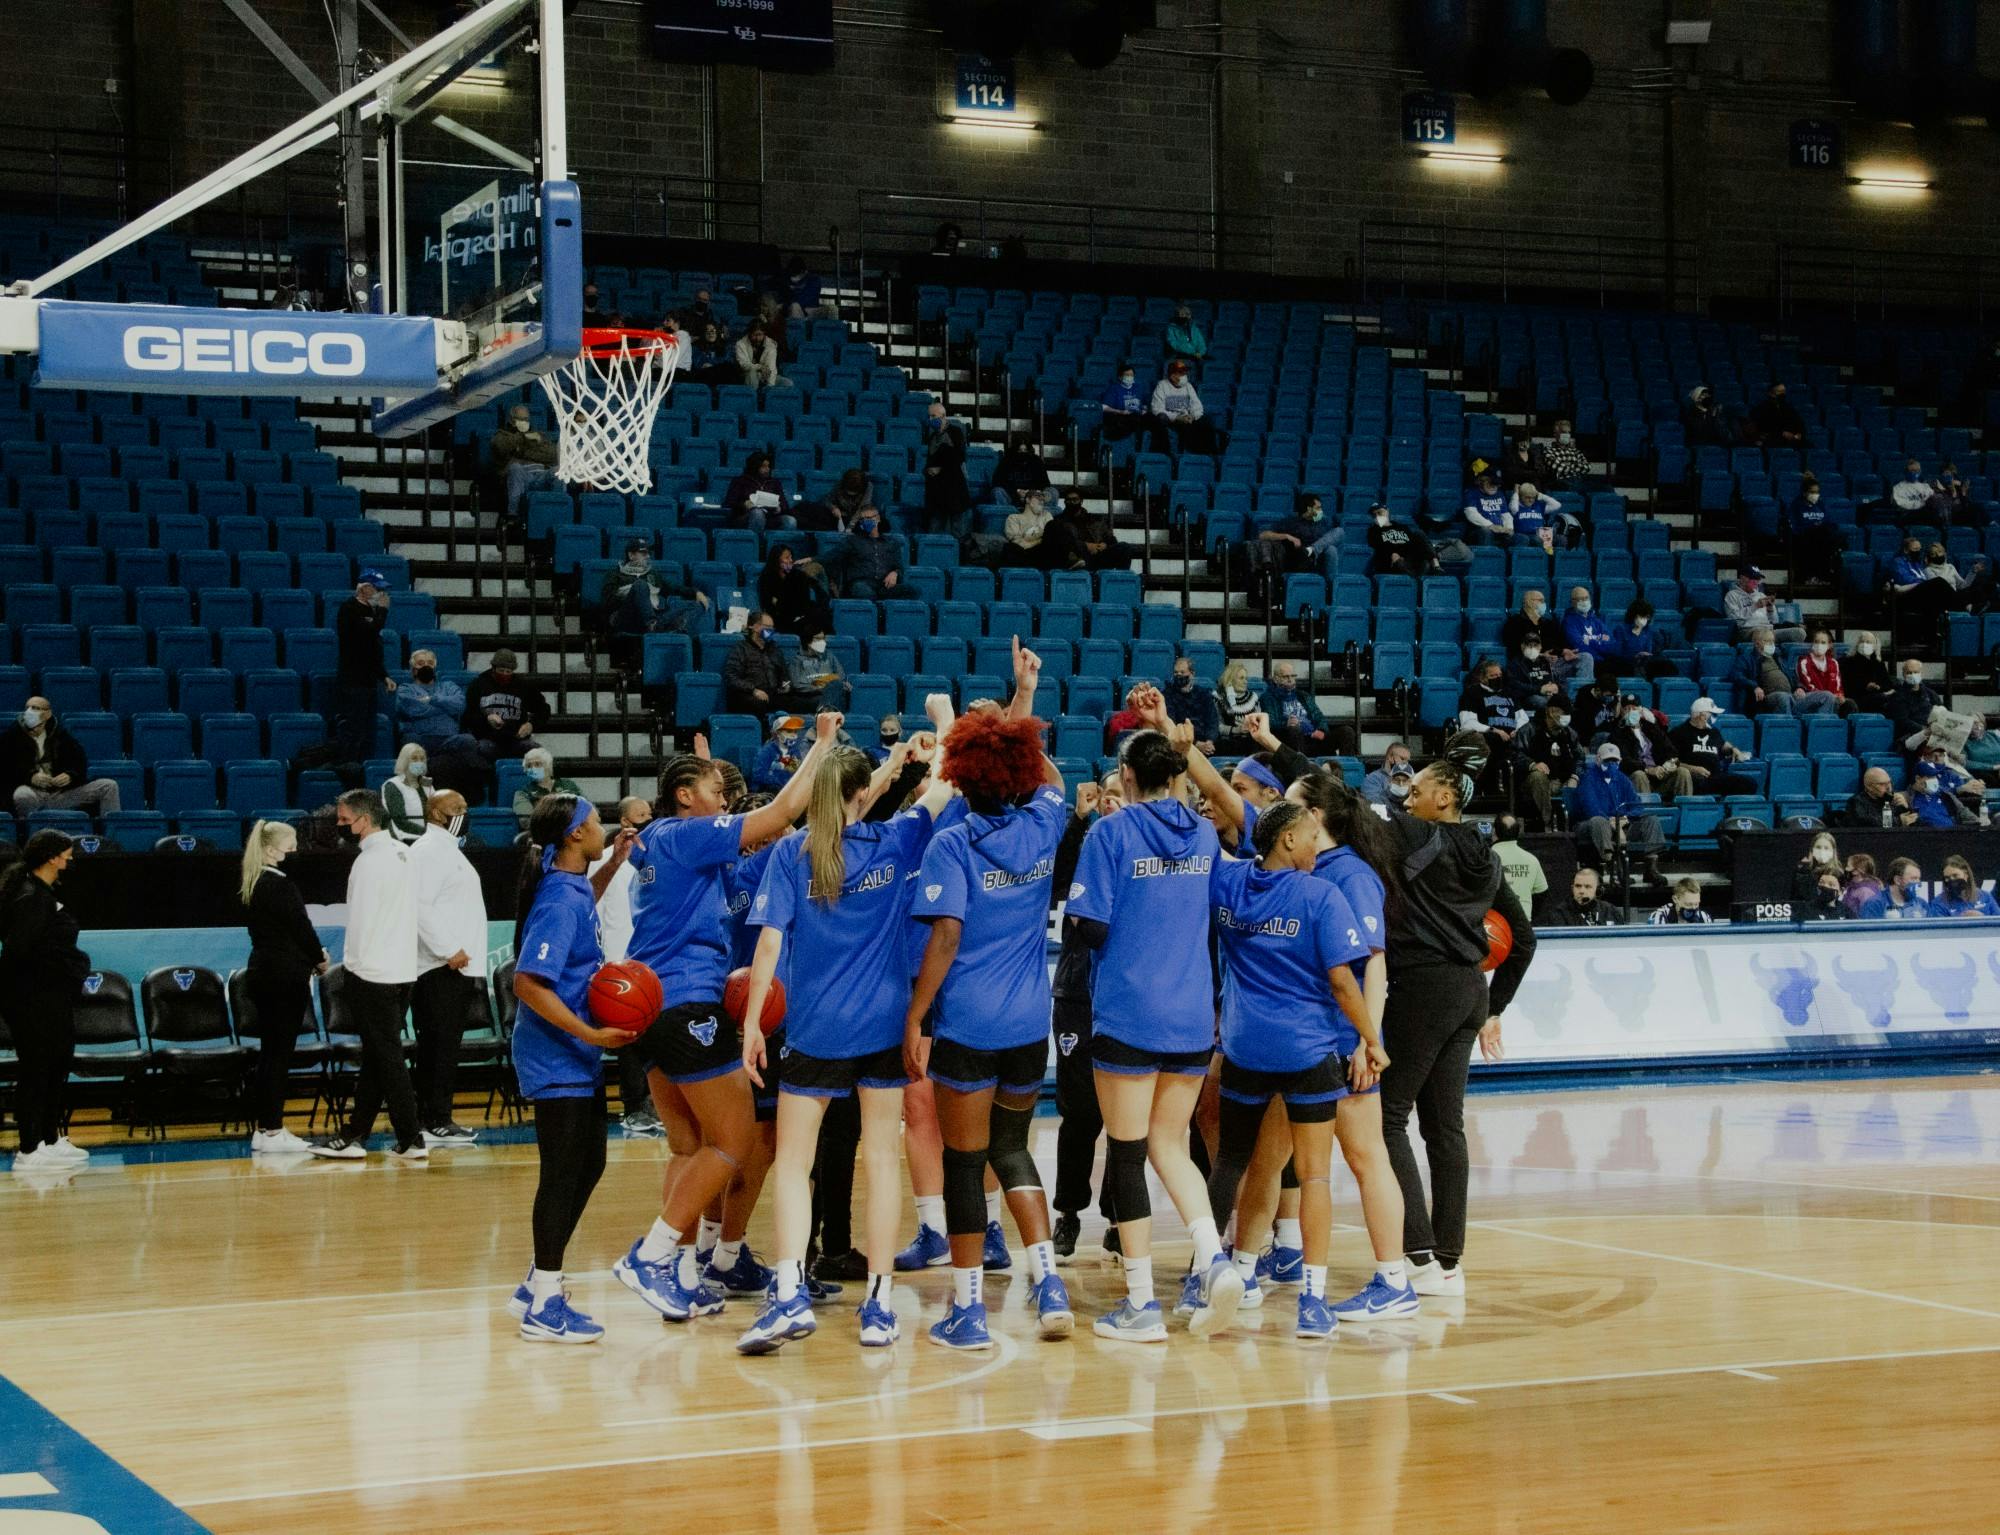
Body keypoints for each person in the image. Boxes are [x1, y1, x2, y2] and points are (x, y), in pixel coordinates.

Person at [613, 714, 845, 1323]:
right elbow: (778, 817)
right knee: (737, 1142)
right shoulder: (686, 836)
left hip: (652, 1008)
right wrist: (820, 747)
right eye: (715, 788)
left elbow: (752, 847)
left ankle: (682, 1275)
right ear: (685, 796)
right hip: (689, 1002)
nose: (725, 797)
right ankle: (653, 1254)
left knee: (688, 1147)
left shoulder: (666, 847)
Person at [733, 728, 956, 1354]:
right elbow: (943, 786)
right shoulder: (897, 838)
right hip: (883, 1026)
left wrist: (753, 1023)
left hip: (814, 1028)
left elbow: (769, 946)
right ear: (865, 794)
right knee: (883, 1160)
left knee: (794, 1164)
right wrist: (938, 729)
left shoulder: (791, 854)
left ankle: (788, 1294)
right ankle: (879, 1305)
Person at [900, 705, 1078, 1348]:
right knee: (1012, 1149)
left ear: (961, 776)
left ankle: (969, 1310)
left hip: (970, 1025)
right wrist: (1018, 721)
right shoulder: (1041, 824)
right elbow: (1055, 782)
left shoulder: (951, 842)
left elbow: (945, 936)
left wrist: (917, 1014)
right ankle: (1050, 1283)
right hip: (1030, 1025)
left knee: (964, 1160)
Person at [1065, 721, 1238, 1341]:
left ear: (1128, 778)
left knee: (1129, 1152)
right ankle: (1213, 1260)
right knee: (1172, 1145)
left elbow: (1088, 925)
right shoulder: (1202, 833)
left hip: (1130, 1013)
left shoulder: (1110, 832)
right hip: (1192, 1016)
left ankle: (1141, 1303)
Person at [1197, 799, 1395, 1338]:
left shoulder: (1230, 887)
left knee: (1231, 1163)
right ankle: (1312, 1301)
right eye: (1311, 836)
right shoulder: (1321, 895)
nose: (1316, 845)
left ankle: (1206, 1276)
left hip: (1242, 1050)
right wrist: (1371, 1041)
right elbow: (1342, 982)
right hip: (1306, 1053)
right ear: (1287, 840)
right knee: (1312, 1175)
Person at [1375, 737, 1536, 1298]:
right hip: (1469, 991)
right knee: (1445, 1128)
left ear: (1444, 797)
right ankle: (1448, 1262)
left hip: (1424, 986)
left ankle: (1417, 1253)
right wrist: (1493, 1007)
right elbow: (1525, 942)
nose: (1405, 795)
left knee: (1386, 1117)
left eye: (1415, 789)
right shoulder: (1488, 858)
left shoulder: (1421, 835)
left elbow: (1350, 813)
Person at [505, 795, 635, 1343]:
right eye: (598, 823)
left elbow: (586, 903)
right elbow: (527, 983)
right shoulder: (558, 899)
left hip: (574, 1050)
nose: (604, 826)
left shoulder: (575, 883)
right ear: (576, 834)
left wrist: (613, 864)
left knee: (590, 1162)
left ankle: (537, 1280)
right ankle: (544, 1303)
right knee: (561, 1173)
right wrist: (591, 1034)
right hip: (556, 1050)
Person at [310, 791, 424, 1161]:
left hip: (373, 972)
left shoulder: (367, 863)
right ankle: (356, 1134)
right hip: (403, 970)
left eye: (344, 819)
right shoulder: (404, 854)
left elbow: (359, 922)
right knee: (379, 1057)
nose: (340, 826)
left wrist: (350, 968)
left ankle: (411, 1137)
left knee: (387, 1058)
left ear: (364, 819)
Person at [1048, 774, 1121, 1261]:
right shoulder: (1087, 845)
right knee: (1080, 1115)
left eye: (1120, 793)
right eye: (1105, 795)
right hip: (1078, 995)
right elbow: (1056, 881)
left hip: (1125, 999)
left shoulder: (1142, 853)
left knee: (1124, 1118)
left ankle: (1120, 1217)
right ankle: (1068, 1214)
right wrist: (1076, 820)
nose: (1111, 801)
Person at [1, 831, 90, 1170]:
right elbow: (18, 952)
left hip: (51, 996)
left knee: (55, 1066)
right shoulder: (30, 897)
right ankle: (28, 1148)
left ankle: (49, 1138)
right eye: (66, 854)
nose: (70, 860)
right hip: (31, 998)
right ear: (52, 857)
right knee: (36, 1070)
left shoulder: (43, 893)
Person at [238, 819, 327, 1154]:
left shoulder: (253, 881)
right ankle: (272, 1130)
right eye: (291, 845)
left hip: (263, 971)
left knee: (270, 1054)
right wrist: (319, 958)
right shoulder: (279, 884)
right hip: (283, 975)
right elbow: (301, 928)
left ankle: (266, 1129)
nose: (295, 851)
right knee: (278, 1055)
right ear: (273, 848)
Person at [408, 791, 487, 1147]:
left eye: (466, 808)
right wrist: (448, 948)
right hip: (440, 965)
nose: (464, 814)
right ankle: (435, 1120)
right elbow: (419, 906)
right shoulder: (427, 852)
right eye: (457, 809)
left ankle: (435, 1117)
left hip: (456, 965)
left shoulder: (450, 851)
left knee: (445, 1045)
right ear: (436, 813)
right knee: (438, 1046)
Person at [2, 697, 121, 818]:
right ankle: (34, 833)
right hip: (32, 793)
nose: (29, 711)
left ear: (47, 714)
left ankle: (110, 834)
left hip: (61, 795)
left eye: (35, 708)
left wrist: (70, 775)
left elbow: (79, 763)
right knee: (22, 795)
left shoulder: (61, 735)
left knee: (109, 786)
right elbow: (6, 769)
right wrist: (30, 777)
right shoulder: (11, 737)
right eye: (27, 708)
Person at [1573, 742, 1665, 882]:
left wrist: (1626, 819)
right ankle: (1614, 870)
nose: (1611, 764)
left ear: (1620, 761)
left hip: (1621, 823)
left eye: (1614, 761)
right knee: (1599, 821)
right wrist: (1614, 823)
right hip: (1591, 826)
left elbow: (1636, 806)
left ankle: (1651, 869)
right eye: (1607, 760)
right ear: (1598, 759)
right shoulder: (1588, 779)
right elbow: (1591, 809)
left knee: (1651, 820)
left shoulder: (1623, 779)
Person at [395, 651, 482, 798]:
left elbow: (460, 706)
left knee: (468, 740)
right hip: (421, 739)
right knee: (409, 742)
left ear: (435, 667)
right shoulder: (405, 689)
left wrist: (431, 699)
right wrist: (445, 709)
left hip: (449, 740)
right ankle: (418, 790)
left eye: (430, 663)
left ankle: (470, 793)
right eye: (421, 663)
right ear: (413, 669)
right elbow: (413, 710)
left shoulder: (449, 686)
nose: (426, 666)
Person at [333, 570, 395, 762]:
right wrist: (383, 611)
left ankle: (359, 767)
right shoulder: (348, 609)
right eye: (377, 588)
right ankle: (346, 766)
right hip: (353, 680)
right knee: (354, 729)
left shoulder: (370, 611)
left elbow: (372, 650)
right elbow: (365, 634)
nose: (380, 593)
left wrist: (383, 675)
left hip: (368, 681)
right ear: (364, 587)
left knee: (367, 730)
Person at [603, 538, 709, 637]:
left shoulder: (652, 574)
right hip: (627, 618)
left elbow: (673, 588)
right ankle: (653, 625)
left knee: (697, 604)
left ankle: (672, 630)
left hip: (655, 615)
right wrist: (632, 592)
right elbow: (608, 601)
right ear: (631, 555)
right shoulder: (615, 574)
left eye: (648, 553)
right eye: (643, 553)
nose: (648, 556)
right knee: (640, 585)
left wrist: (695, 592)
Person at [723, 613, 817, 720]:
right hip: (749, 695)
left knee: (808, 703)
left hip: (773, 695)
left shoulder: (775, 649)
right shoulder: (740, 649)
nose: (770, 630)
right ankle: (764, 734)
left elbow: (784, 675)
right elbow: (731, 677)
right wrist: (754, 690)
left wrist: (786, 685)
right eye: (767, 627)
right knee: (757, 704)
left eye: (772, 628)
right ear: (753, 626)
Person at [463, 649, 548, 761]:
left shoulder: (522, 685)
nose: (504, 674)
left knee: (537, 753)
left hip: (517, 740)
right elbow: (468, 716)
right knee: (481, 749)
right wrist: (486, 718)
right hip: (488, 739)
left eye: (508, 671)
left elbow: (544, 709)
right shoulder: (478, 684)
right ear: (493, 668)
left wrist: (531, 725)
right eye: (501, 670)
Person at [1502, 589, 1592, 692]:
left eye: (1544, 601)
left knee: (1585, 658)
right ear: (1528, 602)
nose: (1544, 604)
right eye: (1540, 600)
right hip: (1532, 666)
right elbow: (1515, 650)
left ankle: (1583, 695)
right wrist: (1541, 656)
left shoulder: (1549, 623)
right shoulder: (1514, 623)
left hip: (1555, 663)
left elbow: (1561, 643)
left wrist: (1564, 651)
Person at [1609, 697, 1693, 802]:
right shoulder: (1617, 733)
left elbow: (1670, 750)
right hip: (1638, 776)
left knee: (1683, 772)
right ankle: (1647, 815)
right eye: (1626, 709)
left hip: (1659, 775)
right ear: (1622, 712)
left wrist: (1668, 764)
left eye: (1634, 708)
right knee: (1639, 775)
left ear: (1640, 710)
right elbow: (1624, 761)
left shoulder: (1651, 728)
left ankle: (1684, 812)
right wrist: (1648, 769)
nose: (1631, 712)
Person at [1671, 698, 1757, 799]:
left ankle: (1728, 811)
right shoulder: (1679, 733)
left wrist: (1733, 749)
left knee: (1749, 784)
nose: (1713, 718)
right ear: (1702, 716)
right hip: (1693, 779)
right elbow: (1671, 762)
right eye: (1712, 714)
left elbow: (1723, 745)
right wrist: (1693, 769)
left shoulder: (1713, 732)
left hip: (1715, 777)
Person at [1518, 701, 1584, 830]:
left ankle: (1575, 825)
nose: (1567, 717)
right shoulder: (1529, 730)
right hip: (1532, 782)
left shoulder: (1570, 733)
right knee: (1538, 776)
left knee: (1586, 777)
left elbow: (1580, 758)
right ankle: (1547, 823)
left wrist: (1575, 776)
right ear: (1552, 713)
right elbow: (1515, 754)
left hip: (1563, 779)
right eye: (1564, 713)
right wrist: (1532, 764)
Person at [491, 403, 561, 520]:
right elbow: (501, 447)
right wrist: (524, 438)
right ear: (512, 420)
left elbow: (553, 455)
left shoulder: (538, 436)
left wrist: (522, 451)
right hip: (522, 476)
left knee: (558, 471)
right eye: (520, 419)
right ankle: (513, 515)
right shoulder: (502, 435)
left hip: (542, 476)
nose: (524, 421)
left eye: (526, 419)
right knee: (515, 468)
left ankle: (558, 511)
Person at [1885, 537, 1955, 642]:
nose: (1918, 552)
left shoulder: (1918, 564)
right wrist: (1923, 582)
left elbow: (1922, 579)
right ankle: (1959, 604)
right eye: (1915, 549)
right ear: (1906, 550)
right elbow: (1906, 580)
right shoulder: (1898, 562)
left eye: (1919, 549)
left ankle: (1931, 638)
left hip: (1920, 594)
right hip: (1905, 596)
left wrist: (1923, 582)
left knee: (1937, 598)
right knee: (1939, 582)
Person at [834, 506, 913, 599]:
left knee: (911, 591)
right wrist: (814, 559)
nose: (866, 521)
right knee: (863, 592)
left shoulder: (891, 543)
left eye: (869, 518)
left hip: (884, 586)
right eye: (863, 519)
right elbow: (833, 556)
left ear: (878, 518)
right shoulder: (853, 541)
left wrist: (895, 573)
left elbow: (899, 567)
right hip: (861, 583)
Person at [1045, 487, 1126, 572]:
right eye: (1068, 500)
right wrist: (1085, 546)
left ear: (1081, 501)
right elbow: (1064, 543)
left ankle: (1121, 581)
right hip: (1077, 558)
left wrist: (1104, 544)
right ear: (1065, 502)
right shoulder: (1058, 521)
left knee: (1124, 548)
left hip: (1098, 556)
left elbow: (1111, 539)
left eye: (1075, 499)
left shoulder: (1095, 520)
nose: (1071, 502)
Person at [758, 546, 831, 639]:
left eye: (791, 557)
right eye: (787, 558)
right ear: (776, 560)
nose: (791, 560)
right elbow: (768, 605)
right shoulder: (766, 578)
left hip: (798, 616)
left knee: (819, 616)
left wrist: (781, 602)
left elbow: (804, 602)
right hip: (778, 619)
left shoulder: (799, 576)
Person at [1730, 627, 1806, 717]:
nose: (1772, 644)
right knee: (1783, 697)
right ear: (1757, 643)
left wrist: (1799, 687)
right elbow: (1736, 675)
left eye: (1773, 641)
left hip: (1791, 696)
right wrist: (1754, 686)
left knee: (1825, 697)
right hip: (1766, 700)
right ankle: (1788, 728)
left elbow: (1792, 676)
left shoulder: (1778, 658)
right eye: (1767, 641)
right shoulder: (1747, 659)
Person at [1149, 359, 1220, 455]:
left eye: (1185, 373)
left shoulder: (1188, 386)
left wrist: (1193, 416)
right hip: (1171, 420)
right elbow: (1157, 409)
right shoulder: (1162, 385)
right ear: (1172, 376)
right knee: (1161, 418)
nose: (1185, 376)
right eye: (1181, 373)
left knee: (1206, 420)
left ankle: (1211, 455)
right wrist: (1176, 417)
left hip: (1187, 419)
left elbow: (1197, 406)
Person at [1264, 661, 1335, 754]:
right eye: (1286, 676)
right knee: (1294, 730)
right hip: (1289, 740)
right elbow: (1271, 722)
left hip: (1313, 738)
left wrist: (1321, 730)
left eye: (1293, 676)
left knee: (1346, 732)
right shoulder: (1268, 698)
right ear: (1276, 679)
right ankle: (1300, 765)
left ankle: (1349, 766)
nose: (1290, 679)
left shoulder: (1303, 696)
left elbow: (1319, 716)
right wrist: (1286, 723)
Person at [922, 402, 970, 540]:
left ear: (943, 416)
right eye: (929, 416)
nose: (930, 419)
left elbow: (959, 457)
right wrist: (928, 470)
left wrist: (940, 468)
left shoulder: (955, 432)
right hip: (937, 492)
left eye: (933, 416)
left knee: (958, 535)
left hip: (954, 490)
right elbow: (930, 461)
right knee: (933, 533)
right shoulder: (932, 437)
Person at [1723, 567, 1805, 646]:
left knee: (1799, 633)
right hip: (1747, 631)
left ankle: (1768, 643)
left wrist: (1770, 609)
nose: (1756, 582)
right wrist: (1755, 606)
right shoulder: (1732, 595)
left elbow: (1774, 621)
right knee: (1760, 634)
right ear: (1742, 578)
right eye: (1753, 578)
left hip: (1768, 630)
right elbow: (1733, 618)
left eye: (1758, 579)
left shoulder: (1761, 595)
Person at [1099, 362, 1168, 451]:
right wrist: (1120, 412)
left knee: (1157, 421)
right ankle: (1138, 449)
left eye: (1131, 375)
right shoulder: (1114, 389)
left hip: (1139, 416)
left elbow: (1143, 403)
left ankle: (1162, 452)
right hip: (1122, 416)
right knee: (1135, 420)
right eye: (1127, 375)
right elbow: (1104, 407)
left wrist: (1144, 408)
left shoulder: (1138, 388)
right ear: (1120, 377)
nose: (1129, 377)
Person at [1489, 814, 1547, 919]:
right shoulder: (1531, 859)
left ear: (1494, 832)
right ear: (1518, 833)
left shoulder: (1485, 859)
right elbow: (1542, 892)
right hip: (1523, 923)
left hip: (1493, 924)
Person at [1605, 599, 1676, 683]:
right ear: (1634, 616)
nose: (1644, 619)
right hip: (1626, 661)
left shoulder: (1648, 631)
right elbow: (1618, 652)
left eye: (1647, 617)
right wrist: (1635, 656)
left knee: (1668, 665)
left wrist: (1645, 655)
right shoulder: (1621, 629)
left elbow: (1649, 650)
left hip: (1644, 662)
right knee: (1623, 666)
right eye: (1642, 616)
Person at [1786, 475, 1840, 585]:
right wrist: (1812, 527)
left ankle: (1824, 576)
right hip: (1803, 537)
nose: (1815, 495)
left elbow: (1829, 522)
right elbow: (1794, 526)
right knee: (1818, 540)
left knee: (1832, 538)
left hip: (1821, 537)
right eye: (1812, 492)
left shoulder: (1820, 504)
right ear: (1805, 492)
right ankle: (1810, 576)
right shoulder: (1796, 505)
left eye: (1817, 492)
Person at [724, 451, 793, 533]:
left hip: (769, 517)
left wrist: (779, 508)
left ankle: (781, 544)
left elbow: (785, 504)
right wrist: (744, 504)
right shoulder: (740, 481)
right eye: (763, 467)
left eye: (768, 466)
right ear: (755, 467)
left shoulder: (774, 482)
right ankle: (757, 543)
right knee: (757, 513)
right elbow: (729, 502)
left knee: (790, 521)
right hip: (746, 517)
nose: (767, 469)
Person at [512, 747, 582, 826]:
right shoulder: (523, 793)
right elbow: (526, 822)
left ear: (548, 766)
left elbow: (585, 810)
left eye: (537, 764)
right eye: (529, 766)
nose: (533, 768)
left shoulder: (568, 785)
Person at [1164, 657, 1220, 753]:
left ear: (1192, 674)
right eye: (1176, 673)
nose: (1178, 675)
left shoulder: (1204, 694)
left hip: (1206, 741)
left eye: (1182, 672)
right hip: (1180, 742)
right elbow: (1172, 723)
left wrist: (1209, 741)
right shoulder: (1167, 695)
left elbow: (1212, 721)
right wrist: (1196, 744)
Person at [1884, 658, 1943, 749]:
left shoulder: (1931, 694)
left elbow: (1943, 713)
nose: (1913, 675)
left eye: (1916, 672)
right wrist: (1924, 730)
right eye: (1909, 673)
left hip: (1932, 734)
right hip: (1909, 737)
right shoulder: (1897, 697)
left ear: (1921, 673)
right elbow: (1902, 721)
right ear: (1903, 674)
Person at [381, 743, 433, 843]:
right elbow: (400, 821)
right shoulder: (392, 785)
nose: (419, 762)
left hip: (428, 837)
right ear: (404, 761)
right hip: (404, 837)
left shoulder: (427, 783)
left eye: (422, 759)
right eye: (414, 759)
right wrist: (427, 833)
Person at [1560, 587, 1617, 678]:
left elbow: (1611, 643)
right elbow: (1578, 645)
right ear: (1572, 602)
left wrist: (1589, 641)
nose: (1584, 601)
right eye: (1580, 599)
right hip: (1587, 660)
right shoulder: (1569, 622)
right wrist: (1599, 641)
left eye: (1586, 598)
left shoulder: (1596, 620)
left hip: (1602, 659)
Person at [1794, 629, 1852, 717]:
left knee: (1850, 704)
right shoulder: (1804, 662)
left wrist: (1839, 696)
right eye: (1816, 642)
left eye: (1823, 642)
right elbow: (1808, 685)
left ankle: (1843, 729)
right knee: (1827, 696)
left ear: (1829, 645)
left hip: (1831, 697)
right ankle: (1823, 726)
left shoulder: (1833, 663)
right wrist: (1830, 696)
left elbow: (1838, 686)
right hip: (1811, 697)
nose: (1819, 645)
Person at [1367, 503, 1438, 576]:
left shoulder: (1402, 527)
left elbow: (1413, 544)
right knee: (1395, 556)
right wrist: (1396, 556)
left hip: (1410, 559)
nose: (1377, 516)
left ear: (1387, 511)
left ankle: (1436, 565)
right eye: (1374, 515)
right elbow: (1380, 549)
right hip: (1393, 563)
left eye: (1379, 512)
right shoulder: (1373, 531)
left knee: (1419, 534)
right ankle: (1416, 578)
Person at [789, 630, 847, 716]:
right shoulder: (797, 661)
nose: (823, 642)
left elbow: (841, 676)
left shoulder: (830, 656)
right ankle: (827, 713)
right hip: (811, 697)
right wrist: (820, 687)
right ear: (808, 642)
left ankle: (825, 713)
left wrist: (822, 684)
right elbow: (797, 685)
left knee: (836, 688)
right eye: (818, 639)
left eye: (823, 638)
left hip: (830, 693)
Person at [1837, 766, 1909, 829]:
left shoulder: (1892, 799)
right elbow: (1870, 823)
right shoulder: (1856, 802)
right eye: (1882, 784)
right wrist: (1898, 821)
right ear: (1869, 787)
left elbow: (1913, 820)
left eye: (1889, 782)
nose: (1888, 788)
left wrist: (1905, 807)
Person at [1928, 854, 2000, 918]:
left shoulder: (1985, 896)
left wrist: (1982, 918)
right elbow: (1939, 931)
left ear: (1966, 874)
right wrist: (1961, 920)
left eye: (1955, 875)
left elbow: (1997, 923)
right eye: (1947, 878)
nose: (1952, 880)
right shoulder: (1938, 903)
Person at [751, 716, 810, 792]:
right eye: (789, 731)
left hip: (788, 792)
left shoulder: (795, 751)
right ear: (777, 733)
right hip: (767, 794)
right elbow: (758, 776)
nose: (793, 735)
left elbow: (797, 772)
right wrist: (781, 781)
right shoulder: (766, 752)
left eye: (795, 731)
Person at [1908, 763, 1976, 827]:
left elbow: (1964, 812)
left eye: (1935, 776)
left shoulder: (1945, 795)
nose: (1934, 780)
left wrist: (1980, 824)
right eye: (1930, 776)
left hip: (1954, 834)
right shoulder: (1906, 798)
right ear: (1918, 779)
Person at [1545, 865, 1615, 927]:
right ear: (1572, 889)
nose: (1581, 891)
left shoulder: (1609, 910)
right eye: (1578, 886)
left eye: (1587, 887)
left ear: (1598, 890)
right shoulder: (1560, 914)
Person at [1214, 660, 1262, 751]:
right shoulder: (1218, 698)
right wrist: (1237, 730)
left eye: (1246, 678)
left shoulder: (1253, 697)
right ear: (1230, 680)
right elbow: (1216, 726)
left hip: (1250, 739)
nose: (1245, 682)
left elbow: (1259, 721)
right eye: (1241, 678)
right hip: (1227, 740)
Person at [1842, 631, 1894, 714]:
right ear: (1857, 644)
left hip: (1878, 694)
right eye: (1862, 641)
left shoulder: (1879, 663)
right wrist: (1865, 686)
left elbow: (1888, 683)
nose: (1864, 644)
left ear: (1874, 646)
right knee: (1882, 698)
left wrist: (1878, 687)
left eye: (1868, 642)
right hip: (1858, 697)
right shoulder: (1848, 661)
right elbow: (1847, 685)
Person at [1003, 488, 1055, 568]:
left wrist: (1031, 538)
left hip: (1043, 553)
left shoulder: (1046, 515)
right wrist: (1039, 539)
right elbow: (1018, 543)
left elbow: (1051, 536)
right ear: (1028, 500)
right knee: (1009, 548)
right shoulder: (1014, 518)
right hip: (1023, 554)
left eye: (1043, 499)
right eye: (1038, 497)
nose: (1042, 500)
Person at [1865, 857, 1929, 920]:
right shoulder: (1875, 904)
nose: (1918, 883)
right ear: (1897, 880)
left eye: (1919, 879)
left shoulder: (1922, 904)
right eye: (1914, 879)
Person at [1461, 470, 1512, 545]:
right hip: (1478, 529)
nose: (1494, 486)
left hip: (1500, 529)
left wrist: (1509, 528)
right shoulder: (1471, 492)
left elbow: (1505, 514)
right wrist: (1490, 525)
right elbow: (1471, 514)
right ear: (1481, 481)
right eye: (1491, 483)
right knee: (1486, 531)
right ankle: (1487, 555)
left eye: (1497, 484)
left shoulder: (1500, 493)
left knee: (1520, 537)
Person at [1749, 380, 1804, 447]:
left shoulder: (1789, 408)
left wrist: (1798, 434)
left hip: (1790, 439)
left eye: (1783, 392)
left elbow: (1798, 423)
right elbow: (1762, 427)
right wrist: (1782, 433)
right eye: (1779, 392)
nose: (1782, 394)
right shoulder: (1761, 408)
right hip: (1771, 439)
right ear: (1770, 393)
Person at [734, 322, 789, 389]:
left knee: (787, 383)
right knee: (751, 373)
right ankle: (753, 397)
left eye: (760, 335)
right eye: (754, 335)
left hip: (764, 375)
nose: (757, 338)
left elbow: (771, 368)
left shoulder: (771, 344)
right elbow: (744, 365)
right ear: (749, 334)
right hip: (747, 375)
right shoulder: (740, 344)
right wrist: (760, 367)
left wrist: (769, 387)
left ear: (764, 334)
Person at [1541, 419, 1590, 488]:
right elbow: (1558, 468)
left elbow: (1587, 467)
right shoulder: (1548, 451)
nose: (1567, 435)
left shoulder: (1575, 451)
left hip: (1578, 481)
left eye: (1568, 432)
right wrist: (1576, 466)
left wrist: (1567, 466)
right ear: (1555, 434)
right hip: (1561, 483)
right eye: (1564, 432)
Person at [1842, 853, 1884, 920]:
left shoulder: (1866, 891)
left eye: (1849, 867)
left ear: (1858, 870)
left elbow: (1867, 918)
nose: (1846, 869)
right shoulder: (1851, 887)